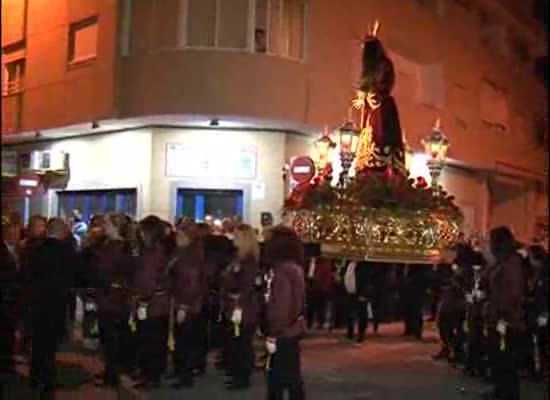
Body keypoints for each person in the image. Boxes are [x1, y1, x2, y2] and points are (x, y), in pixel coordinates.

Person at [23, 218, 77, 395]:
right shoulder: (67, 252)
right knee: (50, 345)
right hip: (55, 304)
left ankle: (35, 376)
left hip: (36, 303)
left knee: (38, 342)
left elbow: (26, 276)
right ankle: (48, 380)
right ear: (62, 232)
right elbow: (77, 275)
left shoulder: (34, 250)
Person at [91, 214, 135, 387]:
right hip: (107, 296)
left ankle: (112, 374)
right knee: (108, 337)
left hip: (113, 298)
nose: (104, 226)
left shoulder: (121, 247)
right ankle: (111, 370)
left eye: (108, 224)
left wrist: (113, 283)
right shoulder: (109, 245)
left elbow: (119, 272)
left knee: (112, 338)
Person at [264, 226, 306, 400]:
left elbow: (281, 305)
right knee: (291, 375)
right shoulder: (294, 268)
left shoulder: (282, 271)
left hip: (283, 332)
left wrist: (273, 333)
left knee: (278, 376)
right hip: (292, 329)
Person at [484, 226, 525, 400]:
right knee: (498, 357)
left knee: (506, 357)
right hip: (498, 316)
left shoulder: (512, 262)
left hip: (507, 319)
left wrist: (502, 311)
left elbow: (513, 291)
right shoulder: (501, 262)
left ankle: (508, 394)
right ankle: (500, 390)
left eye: (490, 240)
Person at [132, 216, 172, 390]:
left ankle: (151, 376)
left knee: (150, 341)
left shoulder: (151, 253)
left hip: (152, 303)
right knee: (156, 340)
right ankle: (154, 373)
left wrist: (143, 301)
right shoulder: (159, 250)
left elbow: (147, 279)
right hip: (159, 302)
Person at [220, 224, 260, 390]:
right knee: (236, 343)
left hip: (243, 308)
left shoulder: (248, 261)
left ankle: (241, 378)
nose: (233, 239)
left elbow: (247, 287)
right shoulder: (238, 258)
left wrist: (239, 305)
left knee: (242, 344)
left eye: (237, 237)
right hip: (235, 305)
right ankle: (237, 374)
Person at [170, 223, 206, 389]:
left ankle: (185, 376)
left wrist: (184, 306)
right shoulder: (184, 253)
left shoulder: (191, 256)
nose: (176, 238)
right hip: (185, 301)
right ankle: (180, 371)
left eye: (180, 235)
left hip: (188, 304)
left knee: (185, 341)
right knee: (182, 339)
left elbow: (191, 284)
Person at [343, 260, 370, 343]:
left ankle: (361, 335)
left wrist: (364, 294)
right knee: (349, 314)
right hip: (349, 293)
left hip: (360, 294)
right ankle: (350, 333)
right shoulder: (348, 263)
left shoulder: (364, 266)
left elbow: (366, 280)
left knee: (362, 315)